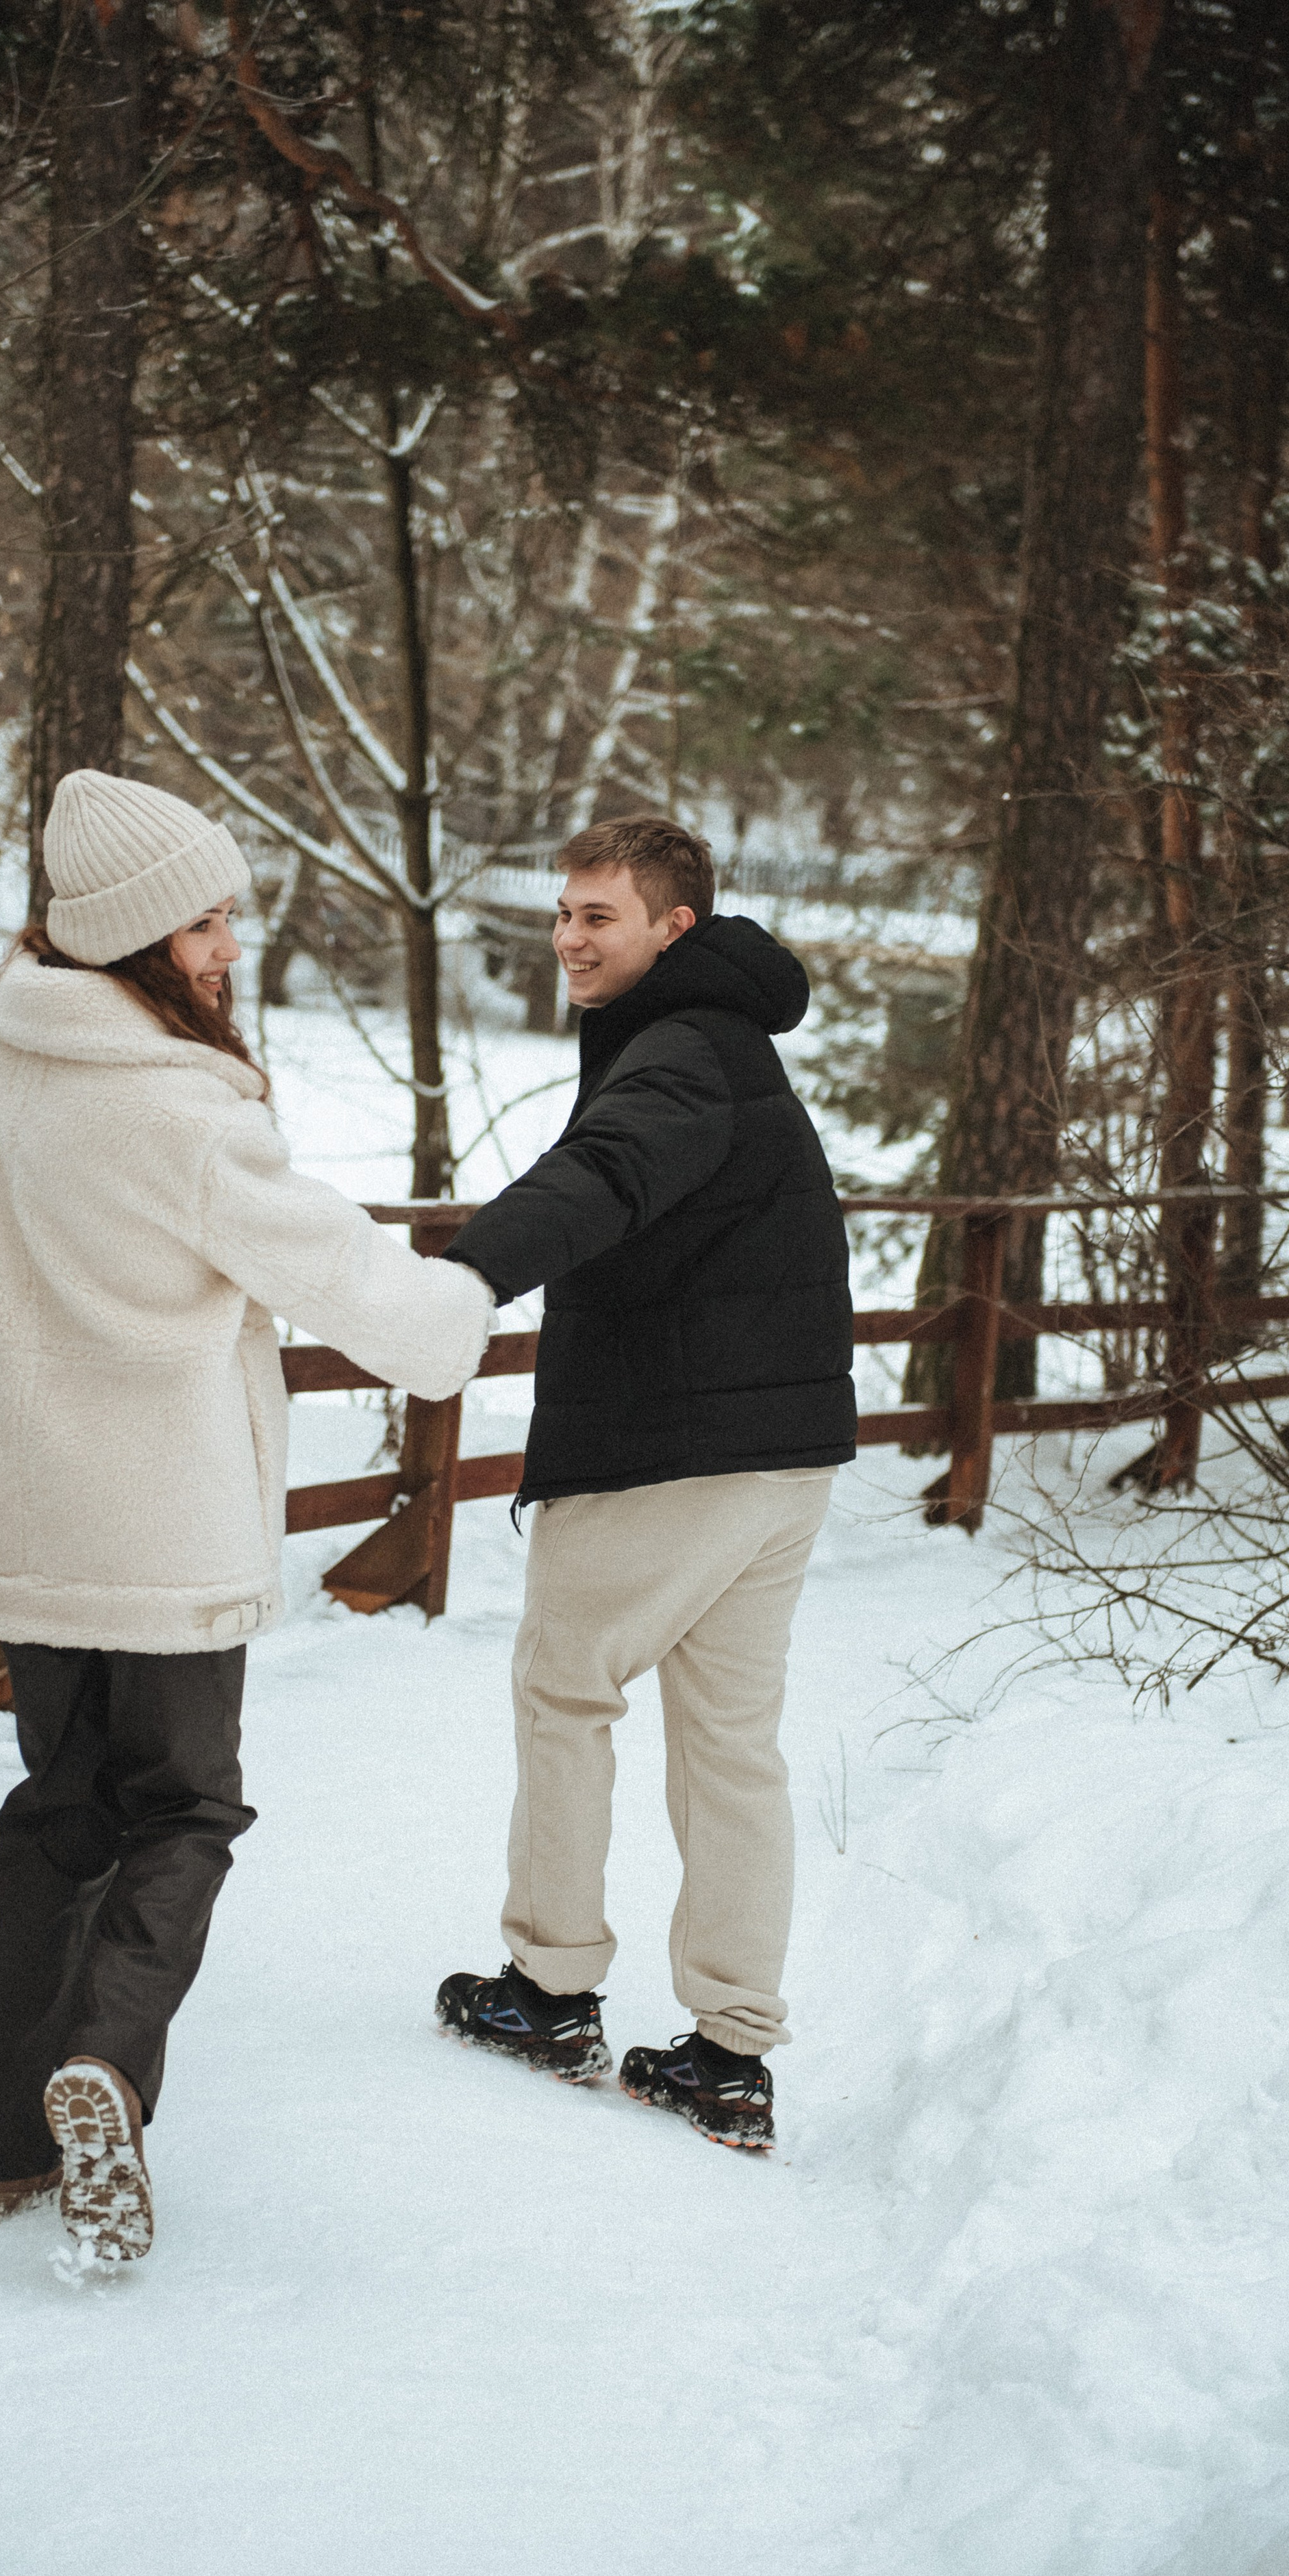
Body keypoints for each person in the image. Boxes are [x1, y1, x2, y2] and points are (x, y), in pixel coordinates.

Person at [0, 768, 492, 2261]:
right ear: (130, 937)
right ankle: (101, 2065)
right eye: (206, 920)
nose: (228, 945)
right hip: (162, 1523)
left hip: (36, 1514)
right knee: (185, 1808)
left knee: (60, 1812)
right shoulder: (174, 1106)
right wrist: (462, 1305)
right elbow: (339, 1271)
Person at [434, 818, 855, 2152]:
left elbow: (604, 1174)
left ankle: (548, 1988)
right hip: (778, 1457)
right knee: (730, 1749)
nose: (567, 937)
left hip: (672, 1446)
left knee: (565, 1694)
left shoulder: (679, 1051)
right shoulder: (722, 1041)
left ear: (673, 925)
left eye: (596, 916)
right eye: (560, 912)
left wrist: (466, 1273)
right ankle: (729, 2055)